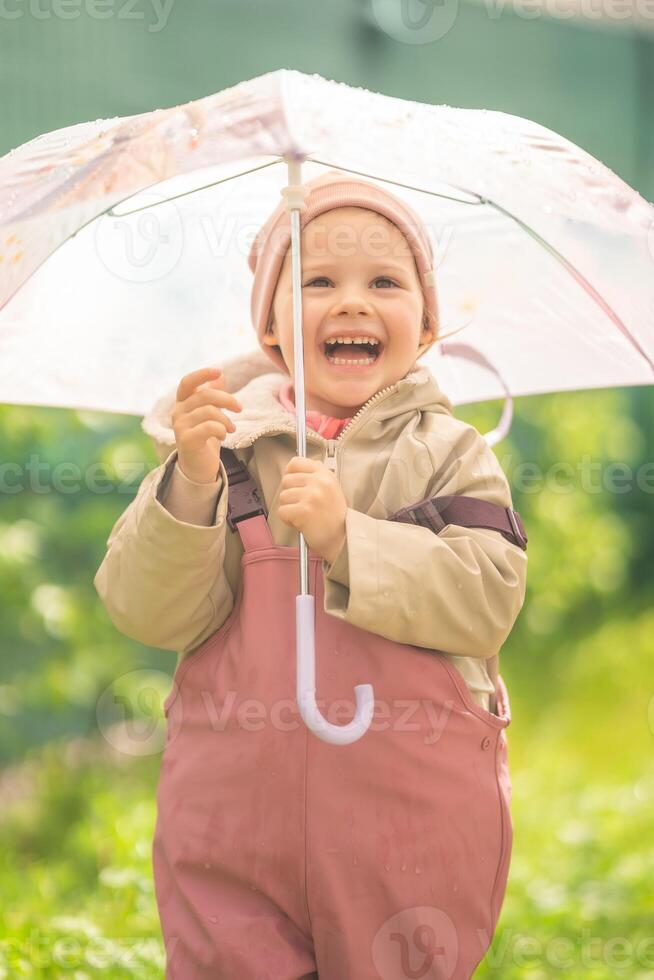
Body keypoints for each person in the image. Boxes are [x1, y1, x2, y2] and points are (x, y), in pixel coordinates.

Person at [94, 170, 528, 979]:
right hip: (232, 821)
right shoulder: (226, 450)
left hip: (408, 825)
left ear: (427, 327)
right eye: (318, 282)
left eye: (385, 283)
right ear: (272, 331)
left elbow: (487, 597)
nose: (353, 302)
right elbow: (149, 611)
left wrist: (348, 539)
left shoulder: (449, 455)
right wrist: (190, 481)